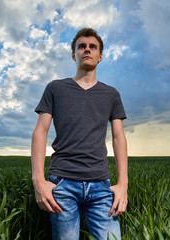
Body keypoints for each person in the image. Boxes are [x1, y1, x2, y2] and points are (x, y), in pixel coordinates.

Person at [31, 27, 128, 240]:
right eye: (81, 46)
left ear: (100, 56)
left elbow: (119, 138)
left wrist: (123, 185)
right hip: (62, 183)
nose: (87, 50)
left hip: (101, 185)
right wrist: (38, 180)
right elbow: (40, 131)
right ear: (73, 54)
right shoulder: (55, 88)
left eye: (93, 47)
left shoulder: (111, 94)